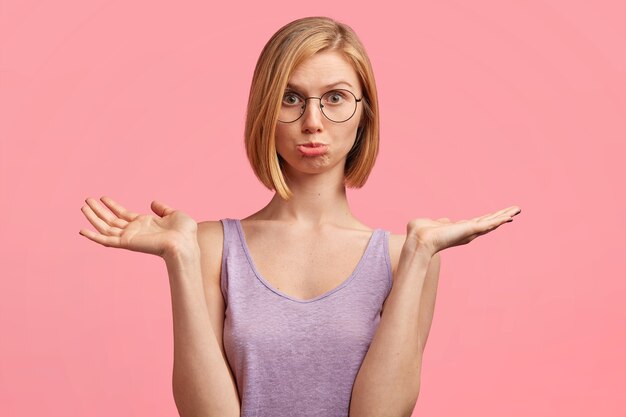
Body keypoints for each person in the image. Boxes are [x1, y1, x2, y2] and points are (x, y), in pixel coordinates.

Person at [79, 16, 521, 417]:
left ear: (364, 114)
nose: (313, 121)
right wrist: (180, 256)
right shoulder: (209, 247)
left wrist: (420, 252)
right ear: (265, 112)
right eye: (291, 98)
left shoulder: (404, 256)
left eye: (336, 98)